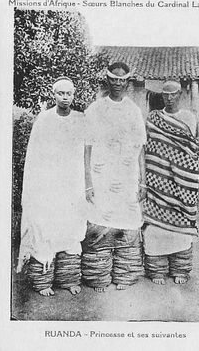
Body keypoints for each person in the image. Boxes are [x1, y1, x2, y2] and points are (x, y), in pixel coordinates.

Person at [17, 77, 87, 296]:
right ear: (53, 95)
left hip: (72, 182)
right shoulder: (44, 120)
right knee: (47, 225)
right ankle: (44, 280)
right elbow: (35, 156)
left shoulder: (80, 119)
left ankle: (68, 278)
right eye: (60, 93)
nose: (65, 97)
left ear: (73, 95)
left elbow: (86, 151)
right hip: (49, 183)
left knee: (71, 224)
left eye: (68, 94)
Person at [82, 62, 147, 292]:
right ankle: (99, 276)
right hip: (101, 177)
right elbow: (86, 147)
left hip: (128, 176)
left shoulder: (134, 111)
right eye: (114, 79)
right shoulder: (95, 109)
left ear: (128, 83)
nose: (118, 84)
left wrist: (143, 181)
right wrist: (88, 183)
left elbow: (140, 148)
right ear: (107, 80)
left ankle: (124, 274)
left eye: (122, 80)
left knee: (127, 223)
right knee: (100, 221)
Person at [143, 80, 199, 285]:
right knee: (155, 227)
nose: (169, 97)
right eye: (165, 94)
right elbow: (149, 145)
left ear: (180, 94)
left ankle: (180, 269)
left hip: (181, 181)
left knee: (181, 222)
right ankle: (157, 270)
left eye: (173, 94)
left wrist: (183, 174)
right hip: (158, 177)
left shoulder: (188, 118)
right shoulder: (153, 117)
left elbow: (189, 149)